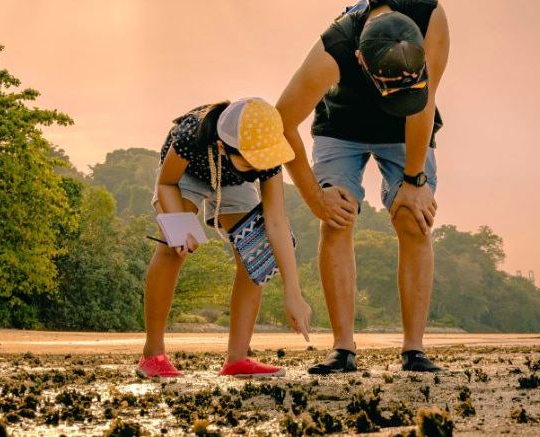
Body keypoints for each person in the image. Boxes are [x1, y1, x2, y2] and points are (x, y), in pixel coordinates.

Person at [276, 0, 449, 373]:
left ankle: (414, 349)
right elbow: (283, 122)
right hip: (343, 126)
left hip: (408, 121)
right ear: (359, 59)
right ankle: (343, 348)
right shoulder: (334, 49)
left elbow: (424, 102)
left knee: (412, 218)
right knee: (337, 217)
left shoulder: (430, 17)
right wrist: (313, 196)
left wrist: (414, 182)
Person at [138, 97, 312, 378]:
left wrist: (293, 292)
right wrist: (180, 228)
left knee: (257, 254)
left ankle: (237, 359)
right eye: (251, 162)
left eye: (262, 163)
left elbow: (276, 222)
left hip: (234, 182)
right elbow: (166, 183)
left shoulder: (266, 152)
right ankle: (152, 354)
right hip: (186, 173)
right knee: (172, 247)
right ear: (223, 146)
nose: (260, 168)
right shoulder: (190, 134)